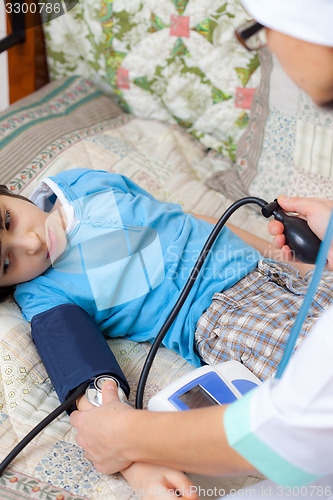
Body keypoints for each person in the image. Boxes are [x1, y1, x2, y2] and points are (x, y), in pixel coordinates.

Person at [69, 0, 333, 497]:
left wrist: (128, 441)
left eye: (261, 28)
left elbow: (299, 427)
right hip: (226, 314)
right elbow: (76, 363)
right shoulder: (44, 292)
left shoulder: (84, 184)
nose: (30, 242)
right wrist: (136, 463)